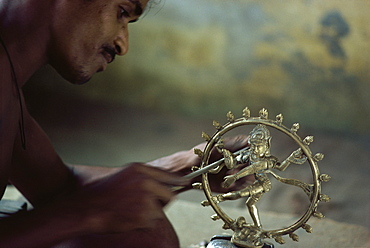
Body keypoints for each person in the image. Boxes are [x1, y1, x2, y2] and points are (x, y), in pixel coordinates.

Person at [0, 0, 248, 247]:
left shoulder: (8, 84)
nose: (123, 45)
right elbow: (71, 203)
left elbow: (55, 184)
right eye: (122, 12)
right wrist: (84, 212)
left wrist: (182, 171)